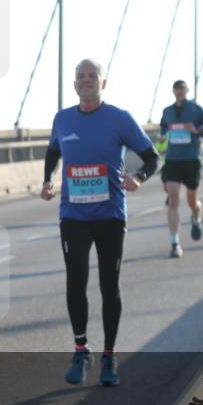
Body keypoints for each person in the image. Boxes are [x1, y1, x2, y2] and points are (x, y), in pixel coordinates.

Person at [41, 59, 158, 387]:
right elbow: (52, 152)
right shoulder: (62, 119)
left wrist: (139, 177)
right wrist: (48, 180)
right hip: (73, 215)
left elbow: (152, 156)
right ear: (75, 85)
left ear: (103, 83)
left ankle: (109, 355)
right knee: (75, 281)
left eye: (93, 76)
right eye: (81, 76)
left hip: (109, 215)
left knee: (110, 285)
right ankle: (81, 349)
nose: (87, 80)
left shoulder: (119, 119)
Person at [159, 79, 203, 258]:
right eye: (176, 89)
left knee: (192, 201)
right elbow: (163, 129)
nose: (179, 92)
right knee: (174, 200)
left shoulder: (196, 109)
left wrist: (196, 129)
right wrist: (162, 138)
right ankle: (175, 243)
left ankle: (196, 216)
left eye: (182, 89)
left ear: (187, 91)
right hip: (172, 160)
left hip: (191, 159)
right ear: (173, 91)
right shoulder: (167, 112)